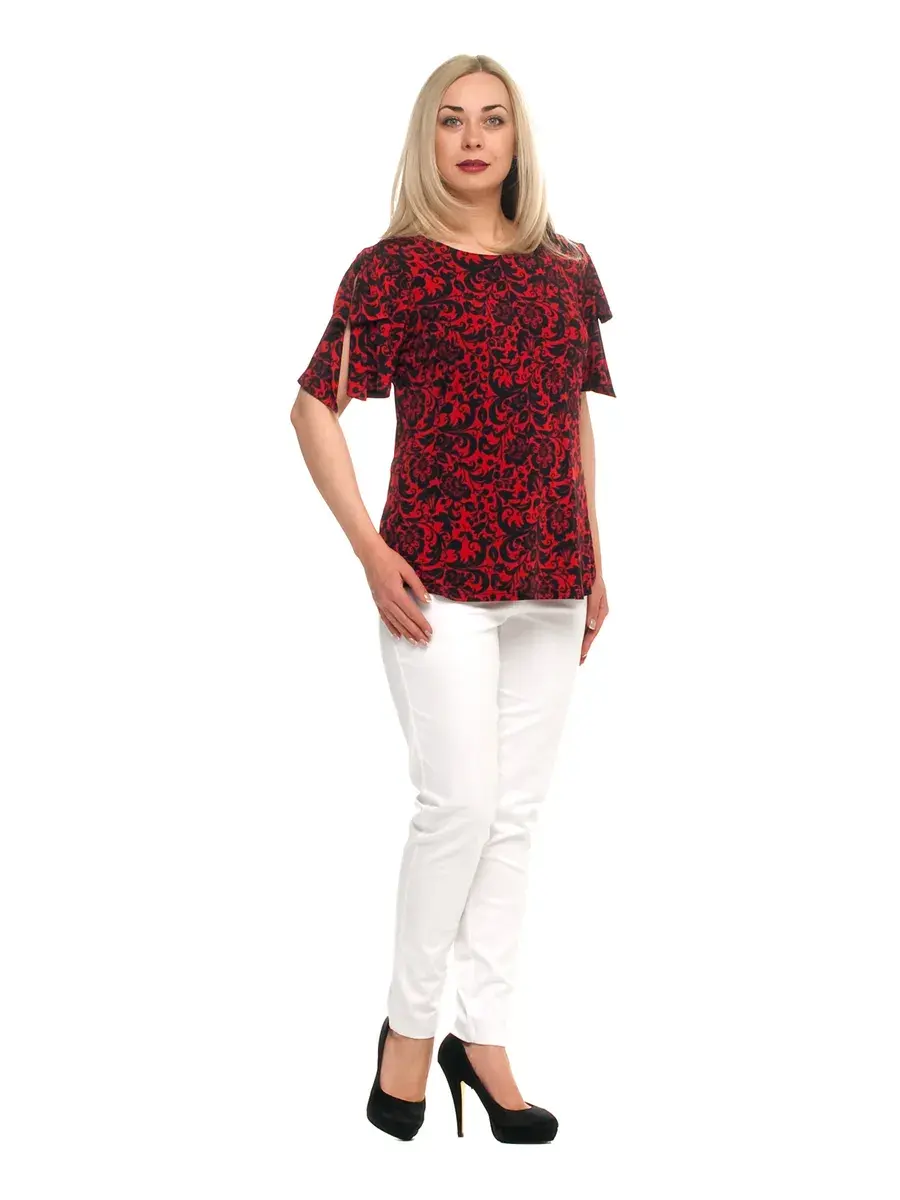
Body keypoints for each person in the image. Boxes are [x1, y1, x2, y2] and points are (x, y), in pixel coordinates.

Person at [290, 53, 617, 1143]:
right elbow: (313, 407)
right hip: (436, 579)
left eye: (492, 120)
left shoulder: (565, 268)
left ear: (517, 139)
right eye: (451, 120)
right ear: (426, 140)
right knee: (460, 807)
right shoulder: (393, 270)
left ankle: (486, 1038)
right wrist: (368, 549)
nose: (473, 139)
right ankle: (408, 1030)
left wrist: (596, 556)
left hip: (552, 574)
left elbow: (573, 412)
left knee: (515, 818)